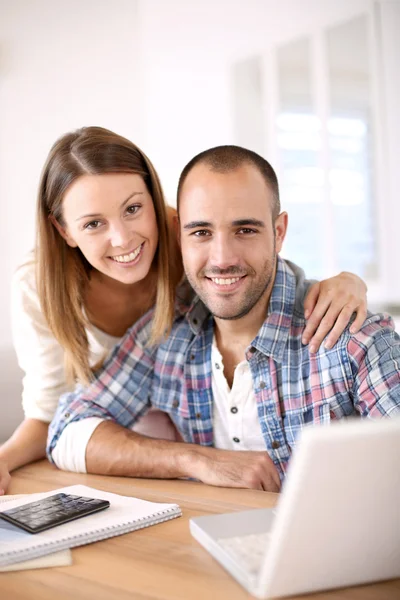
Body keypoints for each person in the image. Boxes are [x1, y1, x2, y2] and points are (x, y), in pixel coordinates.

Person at [0, 129, 367, 494]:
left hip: (185, 423)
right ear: (63, 229)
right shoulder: (40, 287)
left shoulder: (190, 244)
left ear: (158, 206)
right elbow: (51, 416)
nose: (123, 239)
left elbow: (256, 266)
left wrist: (349, 281)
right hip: (125, 438)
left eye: (133, 209)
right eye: (93, 224)